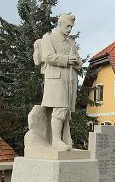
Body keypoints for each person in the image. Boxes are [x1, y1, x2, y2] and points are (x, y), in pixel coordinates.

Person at [33, 12, 82, 150]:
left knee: (65, 111)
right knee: (60, 108)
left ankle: (63, 139)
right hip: (56, 79)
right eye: (67, 26)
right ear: (59, 24)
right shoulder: (50, 38)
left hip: (69, 80)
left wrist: (77, 62)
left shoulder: (71, 42)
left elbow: (78, 60)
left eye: (71, 27)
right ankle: (55, 140)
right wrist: (67, 60)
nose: (69, 29)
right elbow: (48, 56)